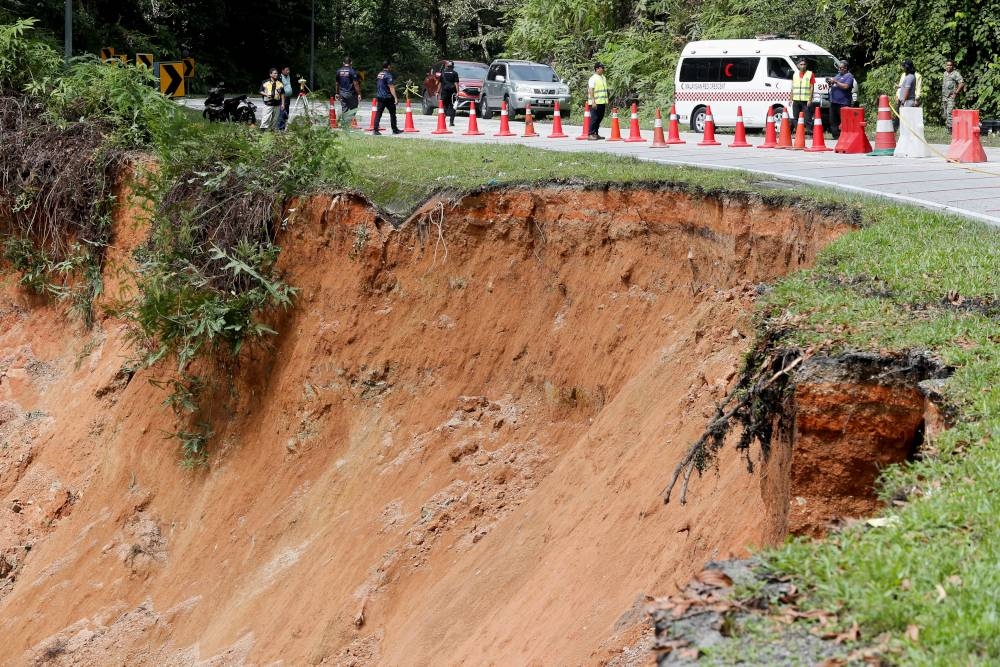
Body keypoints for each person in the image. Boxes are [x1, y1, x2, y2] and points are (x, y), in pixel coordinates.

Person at [826, 60, 854, 139]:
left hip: (843, 102)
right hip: (834, 102)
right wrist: (830, 82)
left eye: (841, 68)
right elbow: (833, 82)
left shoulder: (849, 76)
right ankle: (836, 136)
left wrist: (836, 82)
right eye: (839, 67)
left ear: (845, 68)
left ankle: (845, 135)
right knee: (833, 120)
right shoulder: (838, 75)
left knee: (844, 120)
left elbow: (846, 86)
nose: (839, 69)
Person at [373, 61, 402, 135]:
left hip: (380, 96)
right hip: (388, 97)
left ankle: (375, 130)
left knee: (378, 114)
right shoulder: (388, 75)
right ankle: (394, 129)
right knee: (392, 113)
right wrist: (395, 97)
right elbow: (391, 87)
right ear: (388, 66)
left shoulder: (379, 74)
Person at [336, 57, 362, 129]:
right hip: (351, 93)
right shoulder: (352, 71)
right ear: (351, 63)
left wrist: (337, 93)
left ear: (343, 63)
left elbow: (337, 83)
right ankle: (349, 124)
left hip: (342, 93)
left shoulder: (338, 71)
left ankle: (345, 125)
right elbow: (356, 84)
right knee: (353, 109)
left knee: (344, 109)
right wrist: (359, 94)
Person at [789, 57, 815, 130]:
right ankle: (798, 131)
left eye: (804, 64)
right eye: (801, 64)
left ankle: (809, 132)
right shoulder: (795, 74)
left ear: (806, 65)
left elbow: (812, 88)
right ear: (798, 65)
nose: (803, 66)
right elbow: (793, 87)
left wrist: (810, 99)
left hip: (805, 100)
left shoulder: (810, 74)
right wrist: (791, 98)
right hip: (796, 99)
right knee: (795, 117)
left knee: (807, 118)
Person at [941, 59, 965, 131]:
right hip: (945, 97)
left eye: (950, 65)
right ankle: (948, 127)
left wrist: (956, 92)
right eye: (947, 65)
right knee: (945, 113)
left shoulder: (955, 73)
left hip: (951, 97)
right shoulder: (945, 73)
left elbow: (962, 83)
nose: (949, 66)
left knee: (950, 112)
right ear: (945, 66)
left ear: (953, 66)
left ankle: (951, 129)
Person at [587, 62, 609, 140]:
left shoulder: (603, 77)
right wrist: (593, 101)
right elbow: (591, 90)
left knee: (600, 118)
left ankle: (596, 133)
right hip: (595, 102)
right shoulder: (593, 78)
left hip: (602, 102)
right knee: (594, 118)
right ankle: (590, 134)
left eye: (603, 68)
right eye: (601, 68)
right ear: (597, 69)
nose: (603, 69)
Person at [896, 59, 917, 130]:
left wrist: (903, 101)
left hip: (907, 102)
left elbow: (907, 90)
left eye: (904, 67)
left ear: (907, 67)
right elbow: (905, 87)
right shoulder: (910, 76)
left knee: (906, 122)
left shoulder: (909, 77)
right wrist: (899, 86)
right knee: (905, 121)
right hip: (907, 101)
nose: (903, 68)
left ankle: (907, 137)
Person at [438, 61, 460, 127]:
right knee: (453, 107)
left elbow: (440, 83)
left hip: (444, 92)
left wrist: (437, 92)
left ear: (447, 66)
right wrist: (458, 92)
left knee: (444, 106)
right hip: (452, 92)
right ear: (453, 66)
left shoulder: (443, 73)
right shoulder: (455, 73)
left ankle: (442, 121)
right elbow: (456, 83)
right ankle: (451, 122)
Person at [277, 66, 293, 130]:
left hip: (288, 97)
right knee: (282, 112)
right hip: (282, 97)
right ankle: (280, 128)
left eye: (288, 70)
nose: (288, 71)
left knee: (286, 112)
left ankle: (284, 126)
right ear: (282, 71)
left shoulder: (288, 76)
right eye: (286, 70)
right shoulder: (279, 77)